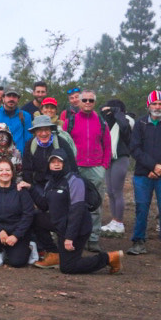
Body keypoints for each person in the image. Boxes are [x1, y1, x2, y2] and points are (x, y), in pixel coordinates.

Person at [35, 153, 122, 274]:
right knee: (36, 218)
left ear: (65, 163)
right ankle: (54, 254)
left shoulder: (74, 181)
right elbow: (44, 205)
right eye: (53, 162)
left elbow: (77, 211)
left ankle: (109, 258)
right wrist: (30, 189)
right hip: (60, 224)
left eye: (59, 162)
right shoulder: (50, 183)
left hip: (77, 228)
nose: (56, 164)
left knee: (68, 267)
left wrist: (69, 237)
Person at [128, 90, 161, 259]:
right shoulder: (140, 124)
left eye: (160, 104)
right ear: (148, 105)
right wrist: (153, 166)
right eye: (154, 103)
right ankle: (138, 242)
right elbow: (135, 148)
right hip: (143, 174)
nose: (157, 107)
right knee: (141, 207)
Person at [61, 87, 112, 247]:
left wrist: (104, 165)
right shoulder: (70, 122)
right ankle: (72, 236)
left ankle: (94, 238)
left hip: (96, 167)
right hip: (76, 169)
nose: (88, 103)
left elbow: (108, 145)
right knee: (73, 203)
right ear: (79, 102)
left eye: (91, 100)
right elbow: (64, 145)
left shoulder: (102, 122)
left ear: (94, 102)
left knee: (95, 203)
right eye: (85, 100)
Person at [0, 160, 37, 267]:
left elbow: (28, 215)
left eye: (7, 170)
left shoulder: (21, 191)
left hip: (17, 230)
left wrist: (16, 235)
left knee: (17, 262)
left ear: (12, 172)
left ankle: (30, 247)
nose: (4, 173)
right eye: (1, 170)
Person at [99, 98, 135, 235]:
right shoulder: (109, 122)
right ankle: (114, 220)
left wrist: (116, 112)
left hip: (121, 157)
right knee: (110, 191)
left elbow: (125, 128)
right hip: (109, 158)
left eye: (110, 109)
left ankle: (119, 222)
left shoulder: (128, 120)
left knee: (117, 191)